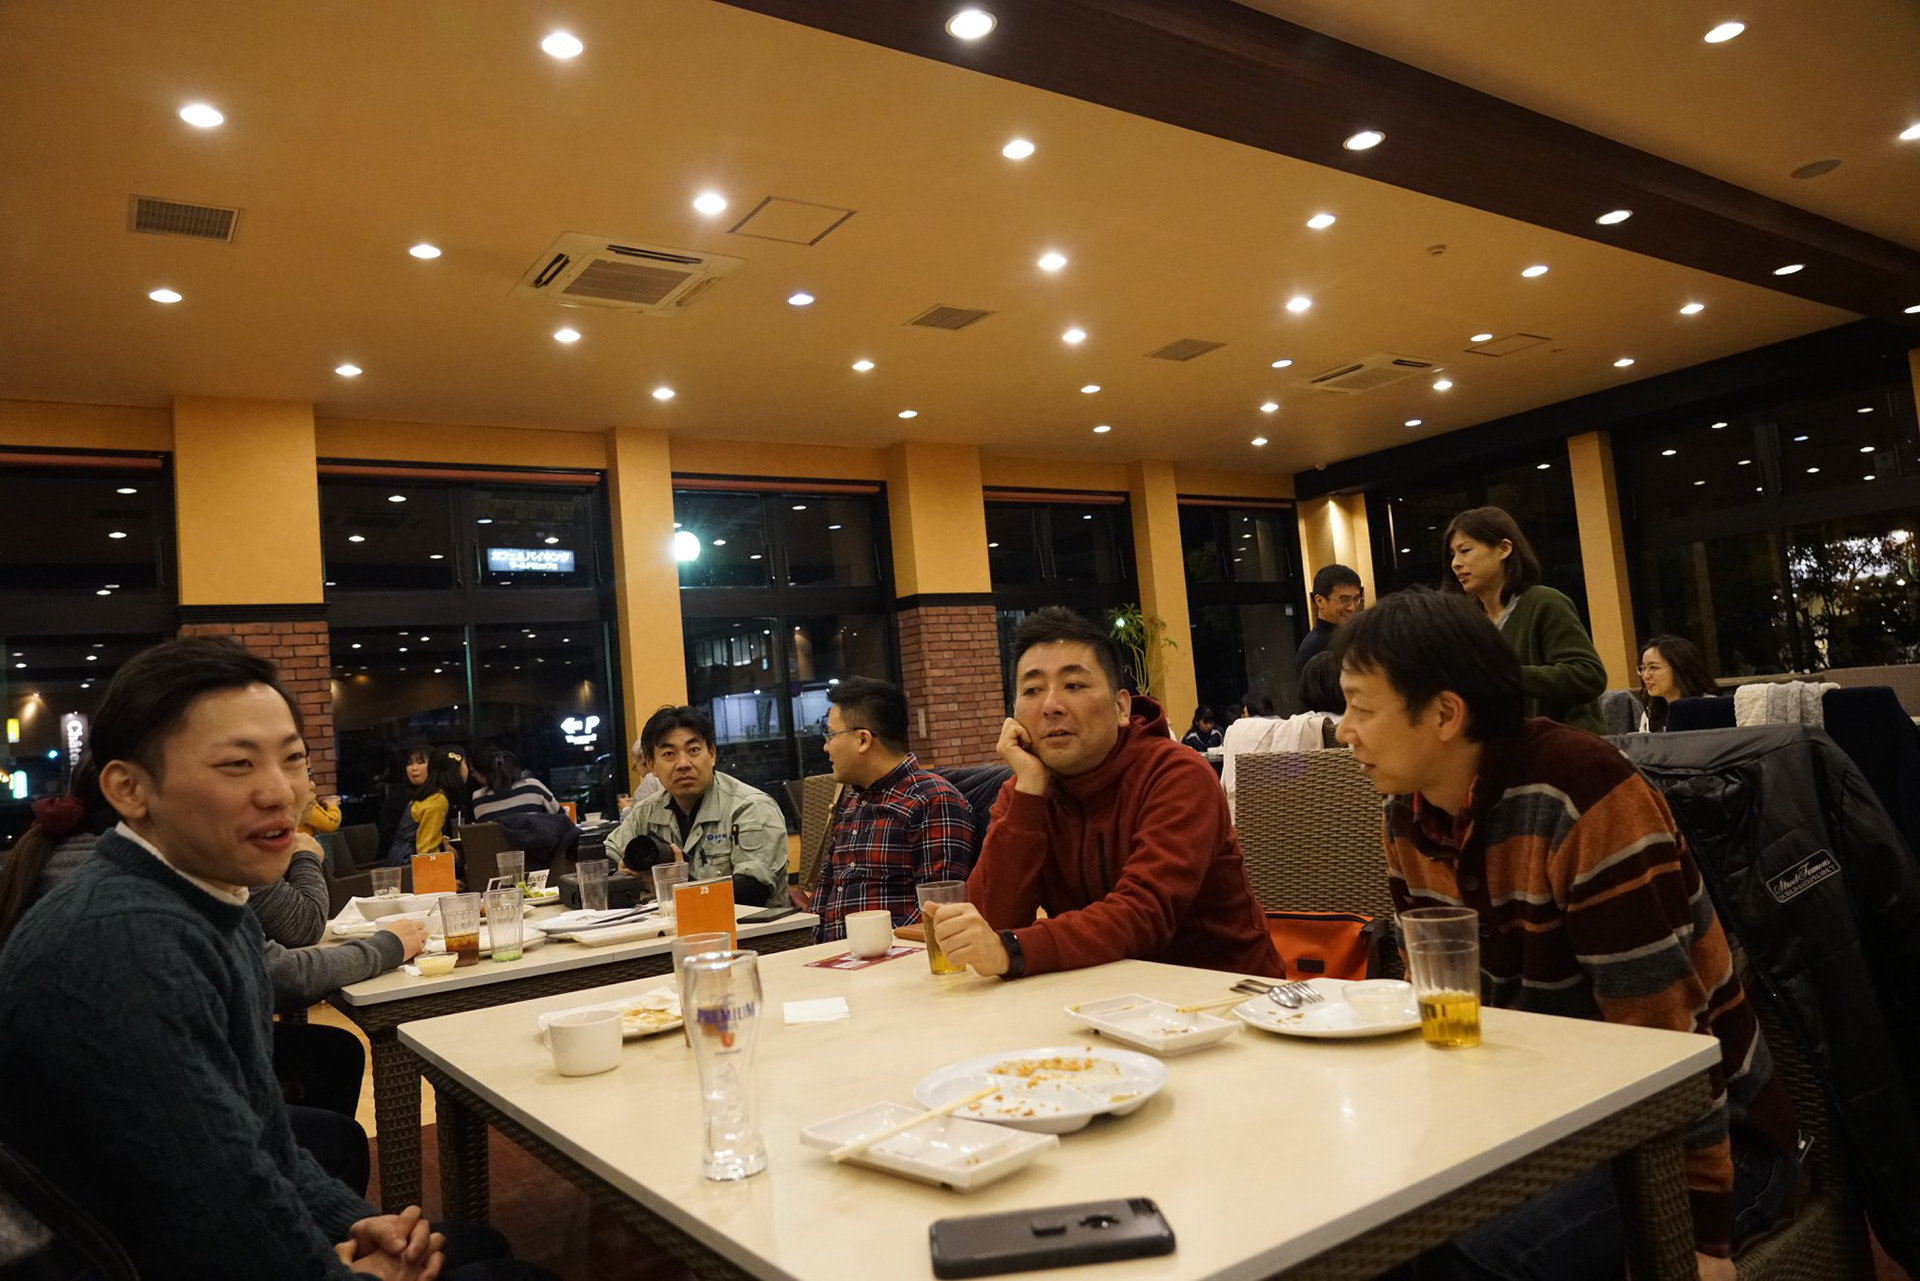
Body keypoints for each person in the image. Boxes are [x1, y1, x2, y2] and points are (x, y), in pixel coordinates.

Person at [0, 637, 547, 1278]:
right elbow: (217, 1211)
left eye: (292, 760)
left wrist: (352, 1222)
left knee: (477, 1246)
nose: (280, 793)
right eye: (238, 764)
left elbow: (263, 1143)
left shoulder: (209, 900)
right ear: (129, 789)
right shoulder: (123, 940)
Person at [1331, 590, 1798, 1281]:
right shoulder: (1408, 812)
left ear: (1445, 713)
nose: (1344, 730)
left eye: (1360, 707)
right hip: (1543, 1123)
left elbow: (1668, 1037)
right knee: (1361, 1233)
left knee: (1461, 1260)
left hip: (1701, 1141)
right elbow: (1439, 998)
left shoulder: (1581, 794)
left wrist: (1700, 1238)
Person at [929, 607, 1282, 980]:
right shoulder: (1025, 790)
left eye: (1074, 685)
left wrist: (1013, 949)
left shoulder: (1176, 774)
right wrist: (1028, 792)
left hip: (1226, 993)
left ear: (1121, 706)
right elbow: (991, 924)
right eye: (1032, 690)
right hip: (1099, 996)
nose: (1050, 706)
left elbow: (1143, 916)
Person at [808, 677, 975, 942]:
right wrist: (811, 951)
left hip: (894, 958)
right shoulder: (853, 802)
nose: (825, 747)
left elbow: (936, 911)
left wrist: (872, 950)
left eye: (830, 735)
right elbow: (824, 892)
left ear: (863, 739)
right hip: (836, 958)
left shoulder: (933, 800)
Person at [1441, 505, 1606, 733]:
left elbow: (1588, 675)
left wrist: (1505, 674)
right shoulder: (1468, 621)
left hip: (1564, 745)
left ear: (1504, 549)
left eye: (1465, 550)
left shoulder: (1544, 602)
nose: (1455, 563)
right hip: (1504, 744)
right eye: (1452, 555)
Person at [605, 705, 787, 906]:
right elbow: (606, 858)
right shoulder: (646, 811)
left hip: (747, 924)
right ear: (652, 766)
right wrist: (625, 874)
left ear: (712, 755)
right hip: (668, 923)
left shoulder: (750, 806)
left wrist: (680, 883)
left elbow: (753, 893)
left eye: (693, 750)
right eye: (669, 754)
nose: (683, 763)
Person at [383, 745, 464, 865]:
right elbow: (427, 850)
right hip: (408, 861)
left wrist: (442, 842)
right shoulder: (436, 800)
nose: (414, 768)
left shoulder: (429, 795)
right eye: (409, 763)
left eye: (420, 762)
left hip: (403, 857)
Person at [1638, 634, 1718, 732]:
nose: (1645, 676)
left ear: (1680, 668)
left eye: (1653, 667)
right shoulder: (1651, 715)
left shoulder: (1710, 707)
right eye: (1643, 668)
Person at [1294, 563, 1364, 669]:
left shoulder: (1356, 637)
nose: (1352, 607)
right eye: (1344, 600)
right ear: (1320, 601)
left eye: (1356, 599)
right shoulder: (1313, 649)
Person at [470, 749, 562, 821]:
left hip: (500, 841)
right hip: (537, 840)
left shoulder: (479, 797)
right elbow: (562, 817)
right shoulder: (532, 786)